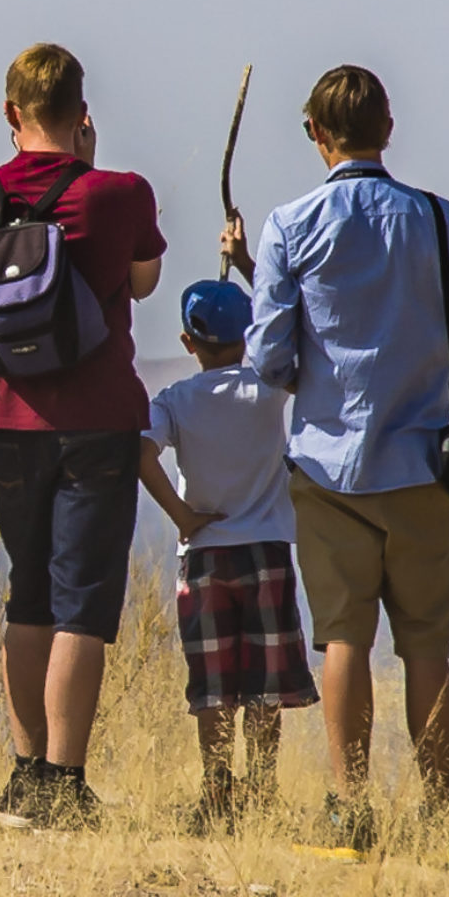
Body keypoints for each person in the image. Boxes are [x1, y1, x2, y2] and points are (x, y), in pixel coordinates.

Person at [241, 64, 449, 850]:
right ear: (389, 128)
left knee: (342, 638)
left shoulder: (290, 226)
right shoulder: (442, 222)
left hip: (327, 470)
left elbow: (268, 358)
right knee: (426, 645)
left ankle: (350, 808)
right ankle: (445, 814)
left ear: (316, 135)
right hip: (422, 465)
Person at [0, 43, 166, 829]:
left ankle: (24, 772)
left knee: (28, 593)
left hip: (10, 418)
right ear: (82, 112)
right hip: (100, 415)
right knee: (84, 605)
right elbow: (142, 281)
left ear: (11, 114)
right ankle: (66, 782)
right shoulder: (120, 193)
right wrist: (93, 165)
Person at [138, 278, 318, 833]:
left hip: (204, 555)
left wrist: (183, 517)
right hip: (265, 552)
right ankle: (261, 791)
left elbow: (141, 455)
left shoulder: (173, 400)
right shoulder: (268, 389)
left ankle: (216, 789)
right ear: (248, 336)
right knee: (265, 684)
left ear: (187, 342)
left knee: (213, 683)